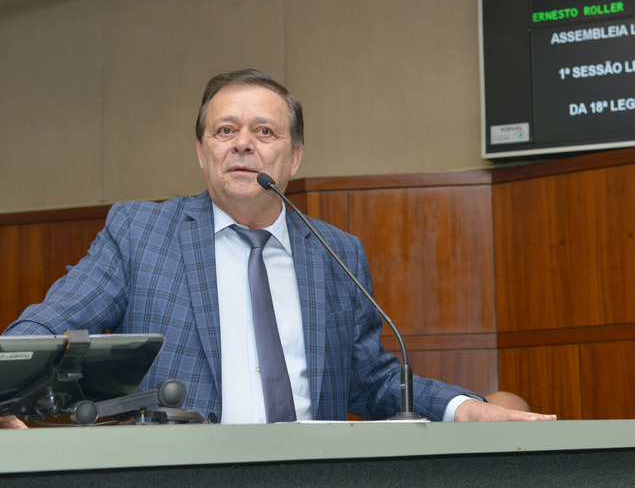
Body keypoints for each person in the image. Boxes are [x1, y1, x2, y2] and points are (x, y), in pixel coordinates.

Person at [1, 69, 556, 428]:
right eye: (225, 131)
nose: (243, 143)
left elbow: (372, 380)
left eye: (264, 132)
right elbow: (50, 324)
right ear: (202, 152)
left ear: (294, 157)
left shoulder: (336, 253)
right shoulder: (140, 232)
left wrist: (464, 409)